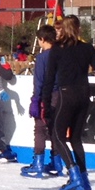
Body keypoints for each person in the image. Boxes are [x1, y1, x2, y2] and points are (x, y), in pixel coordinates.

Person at [46, 17, 95, 190]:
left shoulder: (57, 49)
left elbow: (49, 79)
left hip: (67, 95)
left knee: (57, 136)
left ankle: (74, 175)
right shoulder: (87, 48)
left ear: (63, 30)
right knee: (75, 139)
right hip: (84, 95)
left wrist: (44, 103)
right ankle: (85, 182)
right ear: (79, 29)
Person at [20, 26, 63, 179]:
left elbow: (39, 81)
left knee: (40, 128)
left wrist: (35, 99)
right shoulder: (62, 54)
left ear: (42, 40)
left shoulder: (43, 57)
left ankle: (38, 162)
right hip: (61, 96)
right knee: (55, 129)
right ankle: (57, 163)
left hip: (47, 96)